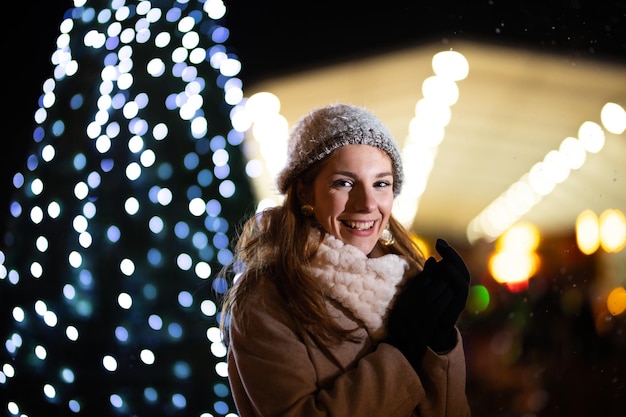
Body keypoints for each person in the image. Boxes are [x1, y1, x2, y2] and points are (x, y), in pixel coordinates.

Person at [219, 103, 472, 416]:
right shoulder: (268, 297)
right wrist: (402, 352)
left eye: (381, 183)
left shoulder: (405, 278)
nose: (367, 203)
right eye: (344, 183)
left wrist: (440, 341)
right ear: (305, 194)